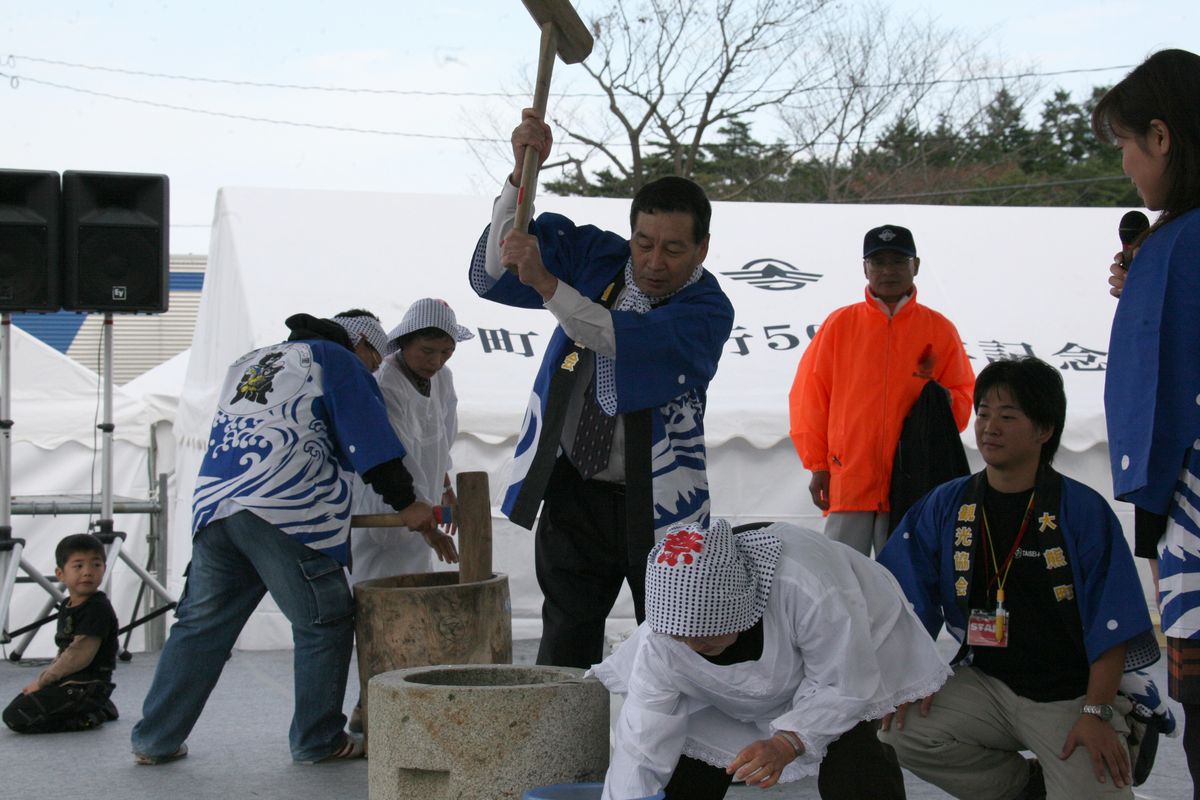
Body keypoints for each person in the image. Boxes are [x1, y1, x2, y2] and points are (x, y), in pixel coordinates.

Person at [469, 109, 734, 669]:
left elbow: (612, 335)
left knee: (672, 640)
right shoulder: (599, 256)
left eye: (673, 249)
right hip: (573, 485)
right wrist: (521, 176)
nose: (653, 263)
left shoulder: (707, 309)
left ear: (703, 249)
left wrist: (547, 283)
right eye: (644, 243)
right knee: (565, 636)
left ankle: (671, 756)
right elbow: (497, 268)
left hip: (660, 498)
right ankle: (559, 757)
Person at [130, 312, 434, 765]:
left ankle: (154, 739)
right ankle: (319, 739)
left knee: (200, 628)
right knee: (325, 621)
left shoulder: (250, 361)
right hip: (288, 506)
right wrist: (407, 501)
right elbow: (367, 436)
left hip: (217, 505)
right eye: (375, 360)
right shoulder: (337, 358)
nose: (375, 371)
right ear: (364, 346)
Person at [878, 357, 1161, 800]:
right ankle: (1024, 786)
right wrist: (912, 679)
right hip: (986, 683)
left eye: (1008, 417)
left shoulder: (1082, 511)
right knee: (901, 728)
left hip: (1070, 694)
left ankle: (1125, 713)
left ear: (1044, 431)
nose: (990, 427)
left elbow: (1114, 619)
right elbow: (902, 598)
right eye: (983, 414)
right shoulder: (947, 504)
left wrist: (1095, 710)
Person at [590, 518, 950, 800]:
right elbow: (641, 744)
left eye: (706, 635)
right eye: (682, 639)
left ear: (738, 607)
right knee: (682, 770)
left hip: (846, 657)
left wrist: (786, 742)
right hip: (733, 689)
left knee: (851, 762)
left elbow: (842, 685)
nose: (693, 648)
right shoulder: (663, 639)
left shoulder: (808, 589)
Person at [1096, 48, 1200, 799]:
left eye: (1128, 146)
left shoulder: (1180, 242)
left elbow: (1160, 394)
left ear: (1162, 137)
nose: (1129, 167)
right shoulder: (1168, 246)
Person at [788, 224, 975, 557]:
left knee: (904, 586)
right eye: (878, 262)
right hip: (849, 480)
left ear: (915, 266)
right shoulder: (839, 325)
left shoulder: (939, 330)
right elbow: (809, 398)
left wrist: (943, 401)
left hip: (912, 483)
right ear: (865, 268)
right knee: (842, 581)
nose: (888, 270)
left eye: (898, 261)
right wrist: (818, 465)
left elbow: (964, 397)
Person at [349, 298, 471, 581]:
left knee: (416, 591)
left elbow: (439, 440)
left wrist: (445, 487)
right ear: (404, 342)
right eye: (427, 351)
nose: (436, 361)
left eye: (446, 352)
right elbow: (394, 455)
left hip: (422, 507)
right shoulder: (385, 383)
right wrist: (425, 523)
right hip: (385, 506)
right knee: (374, 587)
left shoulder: (443, 378)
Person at [3, 533, 120, 733]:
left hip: (87, 685)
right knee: (23, 700)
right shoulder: (68, 604)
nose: (88, 572)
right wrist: (45, 681)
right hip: (70, 684)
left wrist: (42, 682)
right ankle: (97, 705)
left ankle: (90, 714)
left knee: (15, 716)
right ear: (60, 574)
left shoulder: (97, 608)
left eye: (96, 565)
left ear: (104, 569)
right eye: (78, 566)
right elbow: (64, 650)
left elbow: (78, 656)